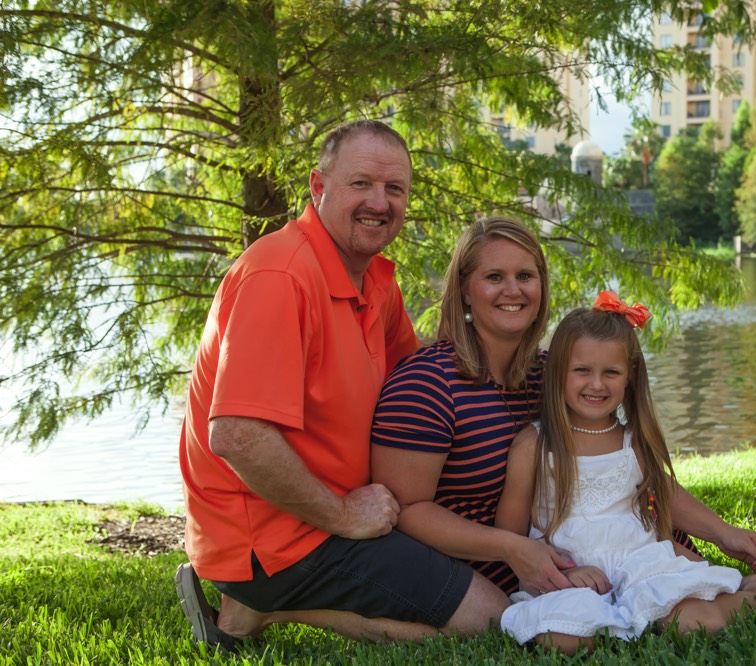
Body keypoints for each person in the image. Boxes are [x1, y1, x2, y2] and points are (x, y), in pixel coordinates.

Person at [174, 119, 509, 650]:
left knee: (494, 601)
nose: (379, 201)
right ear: (318, 186)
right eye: (361, 184)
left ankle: (259, 606)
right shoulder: (279, 276)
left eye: (394, 188)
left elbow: (423, 378)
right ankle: (259, 608)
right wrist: (344, 516)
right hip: (277, 537)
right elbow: (237, 435)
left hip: (347, 512)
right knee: (494, 623)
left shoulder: (374, 278)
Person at [370, 219, 756, 619]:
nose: (513, 290)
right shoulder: (426, 383)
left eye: (526, 276)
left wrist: (724, 534)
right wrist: (513, 549)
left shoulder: (556, 375)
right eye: (494, 276)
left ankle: (711, 587)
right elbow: (405, 509)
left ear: (542, 287)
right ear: (463, 289)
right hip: (493, 562)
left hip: (610, 553)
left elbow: (633, 472)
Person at [495, 295, 756, 653]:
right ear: (557, 372)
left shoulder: (633, 442)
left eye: (610, 372)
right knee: (560, 639)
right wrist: (563, 572)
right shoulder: (534, 445)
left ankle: (751, 593)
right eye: (582, 370)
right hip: (572, 576)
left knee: (693, 625)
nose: (596, 384)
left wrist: (727, 533)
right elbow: (510, 534)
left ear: (630, 376)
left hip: (641, 564)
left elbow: (669, 497)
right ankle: (612, 620)